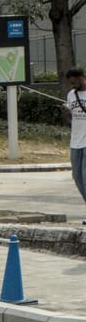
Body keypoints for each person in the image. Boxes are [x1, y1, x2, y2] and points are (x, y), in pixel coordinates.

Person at [66, 68, 86, 219]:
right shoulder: (71, 95)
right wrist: (66, 113)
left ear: (82, 78)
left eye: (74, 83)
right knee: (77, 178)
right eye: (70, 83)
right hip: (75, 142)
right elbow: (71, 120)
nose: (72, 86)